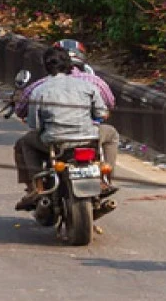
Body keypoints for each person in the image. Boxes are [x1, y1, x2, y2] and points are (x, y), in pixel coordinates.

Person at [13, 47, 110, 210]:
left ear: (46, 66)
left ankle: (37, 187)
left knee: (26, 142)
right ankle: (105, 178)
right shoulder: (88, 85)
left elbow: (34, 126)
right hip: (88, 138)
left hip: (55, 142)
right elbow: (102, 113)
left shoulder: (39, 90)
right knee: (111, 134)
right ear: (70, 64)